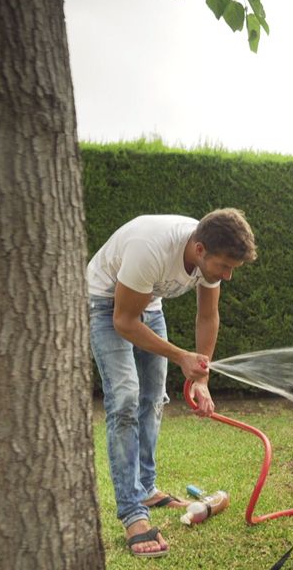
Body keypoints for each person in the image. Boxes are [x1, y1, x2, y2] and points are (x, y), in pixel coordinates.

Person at [86, 209, 257, 557]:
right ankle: (133, 512)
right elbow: (123, 320)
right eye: (223, 267)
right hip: (105, 305)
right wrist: (181, 356)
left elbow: (208, 316)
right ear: (199, 250)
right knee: (125, 399)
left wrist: (202, 379)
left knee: (153, 398)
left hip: (148, 305)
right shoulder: (151, 247)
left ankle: (146, 487)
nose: (227, 276)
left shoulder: (208, 253)